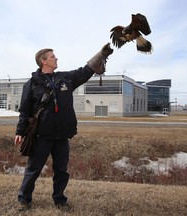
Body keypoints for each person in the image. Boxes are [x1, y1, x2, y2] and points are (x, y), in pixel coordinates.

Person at [14, 43, 113, 211]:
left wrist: (101, 55)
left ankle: (59, 199)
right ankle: (24, 198)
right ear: (43, 61)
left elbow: (86, 70)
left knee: (61, 171)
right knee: (33, 169)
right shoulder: (31, 84)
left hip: (62, 136)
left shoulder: (65, 78)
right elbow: (24, 110)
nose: (56, 58)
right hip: (41, 136)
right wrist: (20, 131)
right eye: (53, 56)